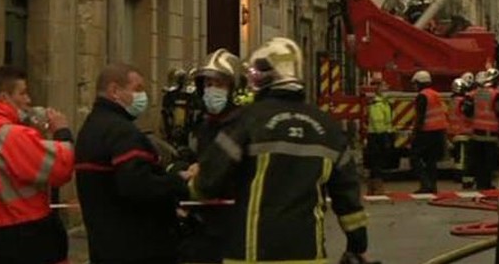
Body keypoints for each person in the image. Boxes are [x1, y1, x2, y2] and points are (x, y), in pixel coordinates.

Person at [191, 37, 379, 264]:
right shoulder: (328, 128)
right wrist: (357, 245)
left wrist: (190, 183)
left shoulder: (245, 121)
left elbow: (208, 182)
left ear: (260, 77)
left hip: (252, 254)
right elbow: (348, 198)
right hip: (308, 254)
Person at [75, 63, 194, 264]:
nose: (143, 96)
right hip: (139, 247)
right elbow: (137, 184)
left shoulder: (91, 127)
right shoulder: (121, 132)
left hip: (105, 246)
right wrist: (177, 181)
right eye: (137, 89)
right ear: (114, 91)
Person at [0, 65, 74, 264]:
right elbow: (61, 168)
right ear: (4, 98)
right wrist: (62, 132)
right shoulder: (11, 136)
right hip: (28, 232)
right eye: (23, 93)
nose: (28, 100)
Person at [178, 49, 244, 264]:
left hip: (232, 227)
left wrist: (202, 171)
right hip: (201, 224)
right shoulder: (203, 124)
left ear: (234, 89)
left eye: (219, 84)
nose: (211, 90)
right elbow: (189, 153)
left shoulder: (241, 126)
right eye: (207, 84)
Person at [462, 68, 499, 190]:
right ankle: (486, 186)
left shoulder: (474, 93)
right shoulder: (496, 94)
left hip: (476, 132)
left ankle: (479, 183)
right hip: (491, 134)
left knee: (478, 161)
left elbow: (467, 111)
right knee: (489, 162)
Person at [409, 70, 448, 194]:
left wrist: (414, 134)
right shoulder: (435, 94)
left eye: (415, 83)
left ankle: (425, 184)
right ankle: (432, 186)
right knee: (431, 160)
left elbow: (420, 117)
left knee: (414, 157)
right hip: (438, 131)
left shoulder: (422, 96)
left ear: (420, 83)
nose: (414, 86)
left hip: (426, 132)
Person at [365, 79, 393, 195]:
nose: (386, 88)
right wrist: (384, 136)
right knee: (377, 163)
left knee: (376, 162)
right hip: (377, 135)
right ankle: (377, 188)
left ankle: (372, 188)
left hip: (378, 134)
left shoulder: (382, 102)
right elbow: (378, 121)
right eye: (383, 86)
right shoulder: (376, 103)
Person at [448, 75, 473, 189]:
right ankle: (460, 177)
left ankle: (458, 175)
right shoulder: (464, 101)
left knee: (458, 157)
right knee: (462, 158)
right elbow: (468, 114)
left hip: (454, 131)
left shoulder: (453, 100)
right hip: (464, 132)